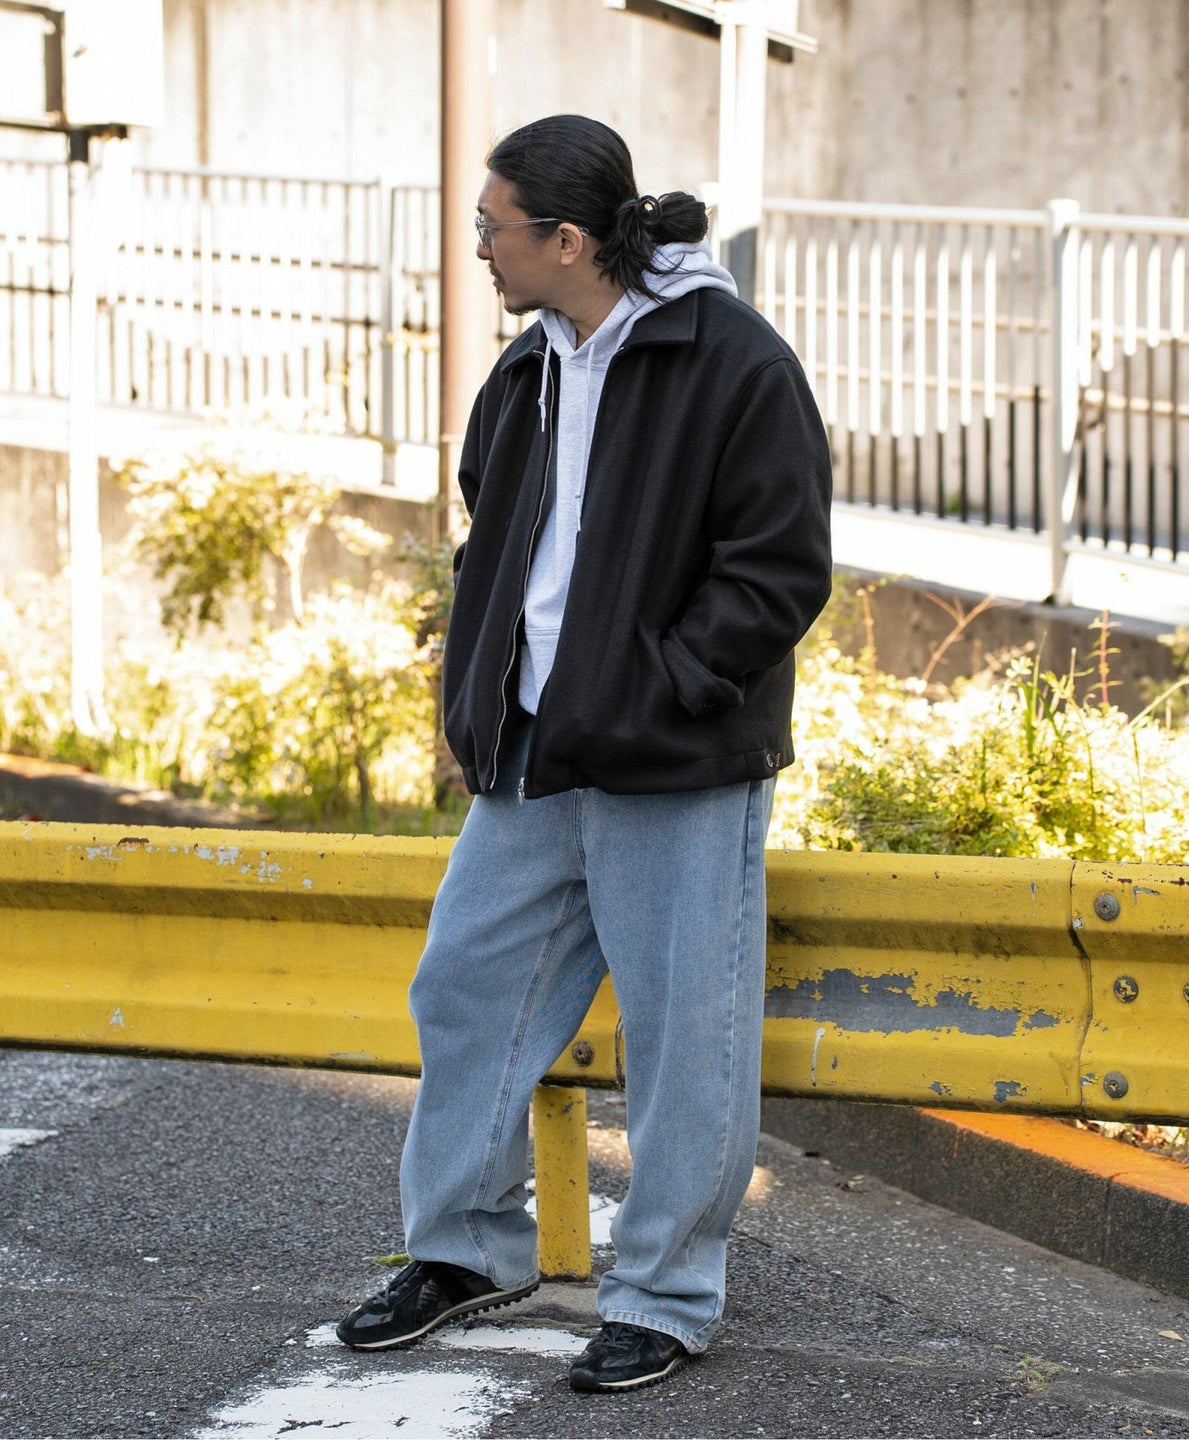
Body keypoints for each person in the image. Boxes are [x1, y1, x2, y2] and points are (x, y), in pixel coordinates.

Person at [336, 114, 832, 1393]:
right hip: (533, 755)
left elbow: (778, 571)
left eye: (493, 226)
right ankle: (466, 1252)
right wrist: (479, 697)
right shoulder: (530, 368)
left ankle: (664, 1296)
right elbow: (490, 536)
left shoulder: (733, 362)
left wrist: (663, 690)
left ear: (564, 239)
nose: (479, 247)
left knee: (683, 1042)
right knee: (466, 991)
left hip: (673, 762)